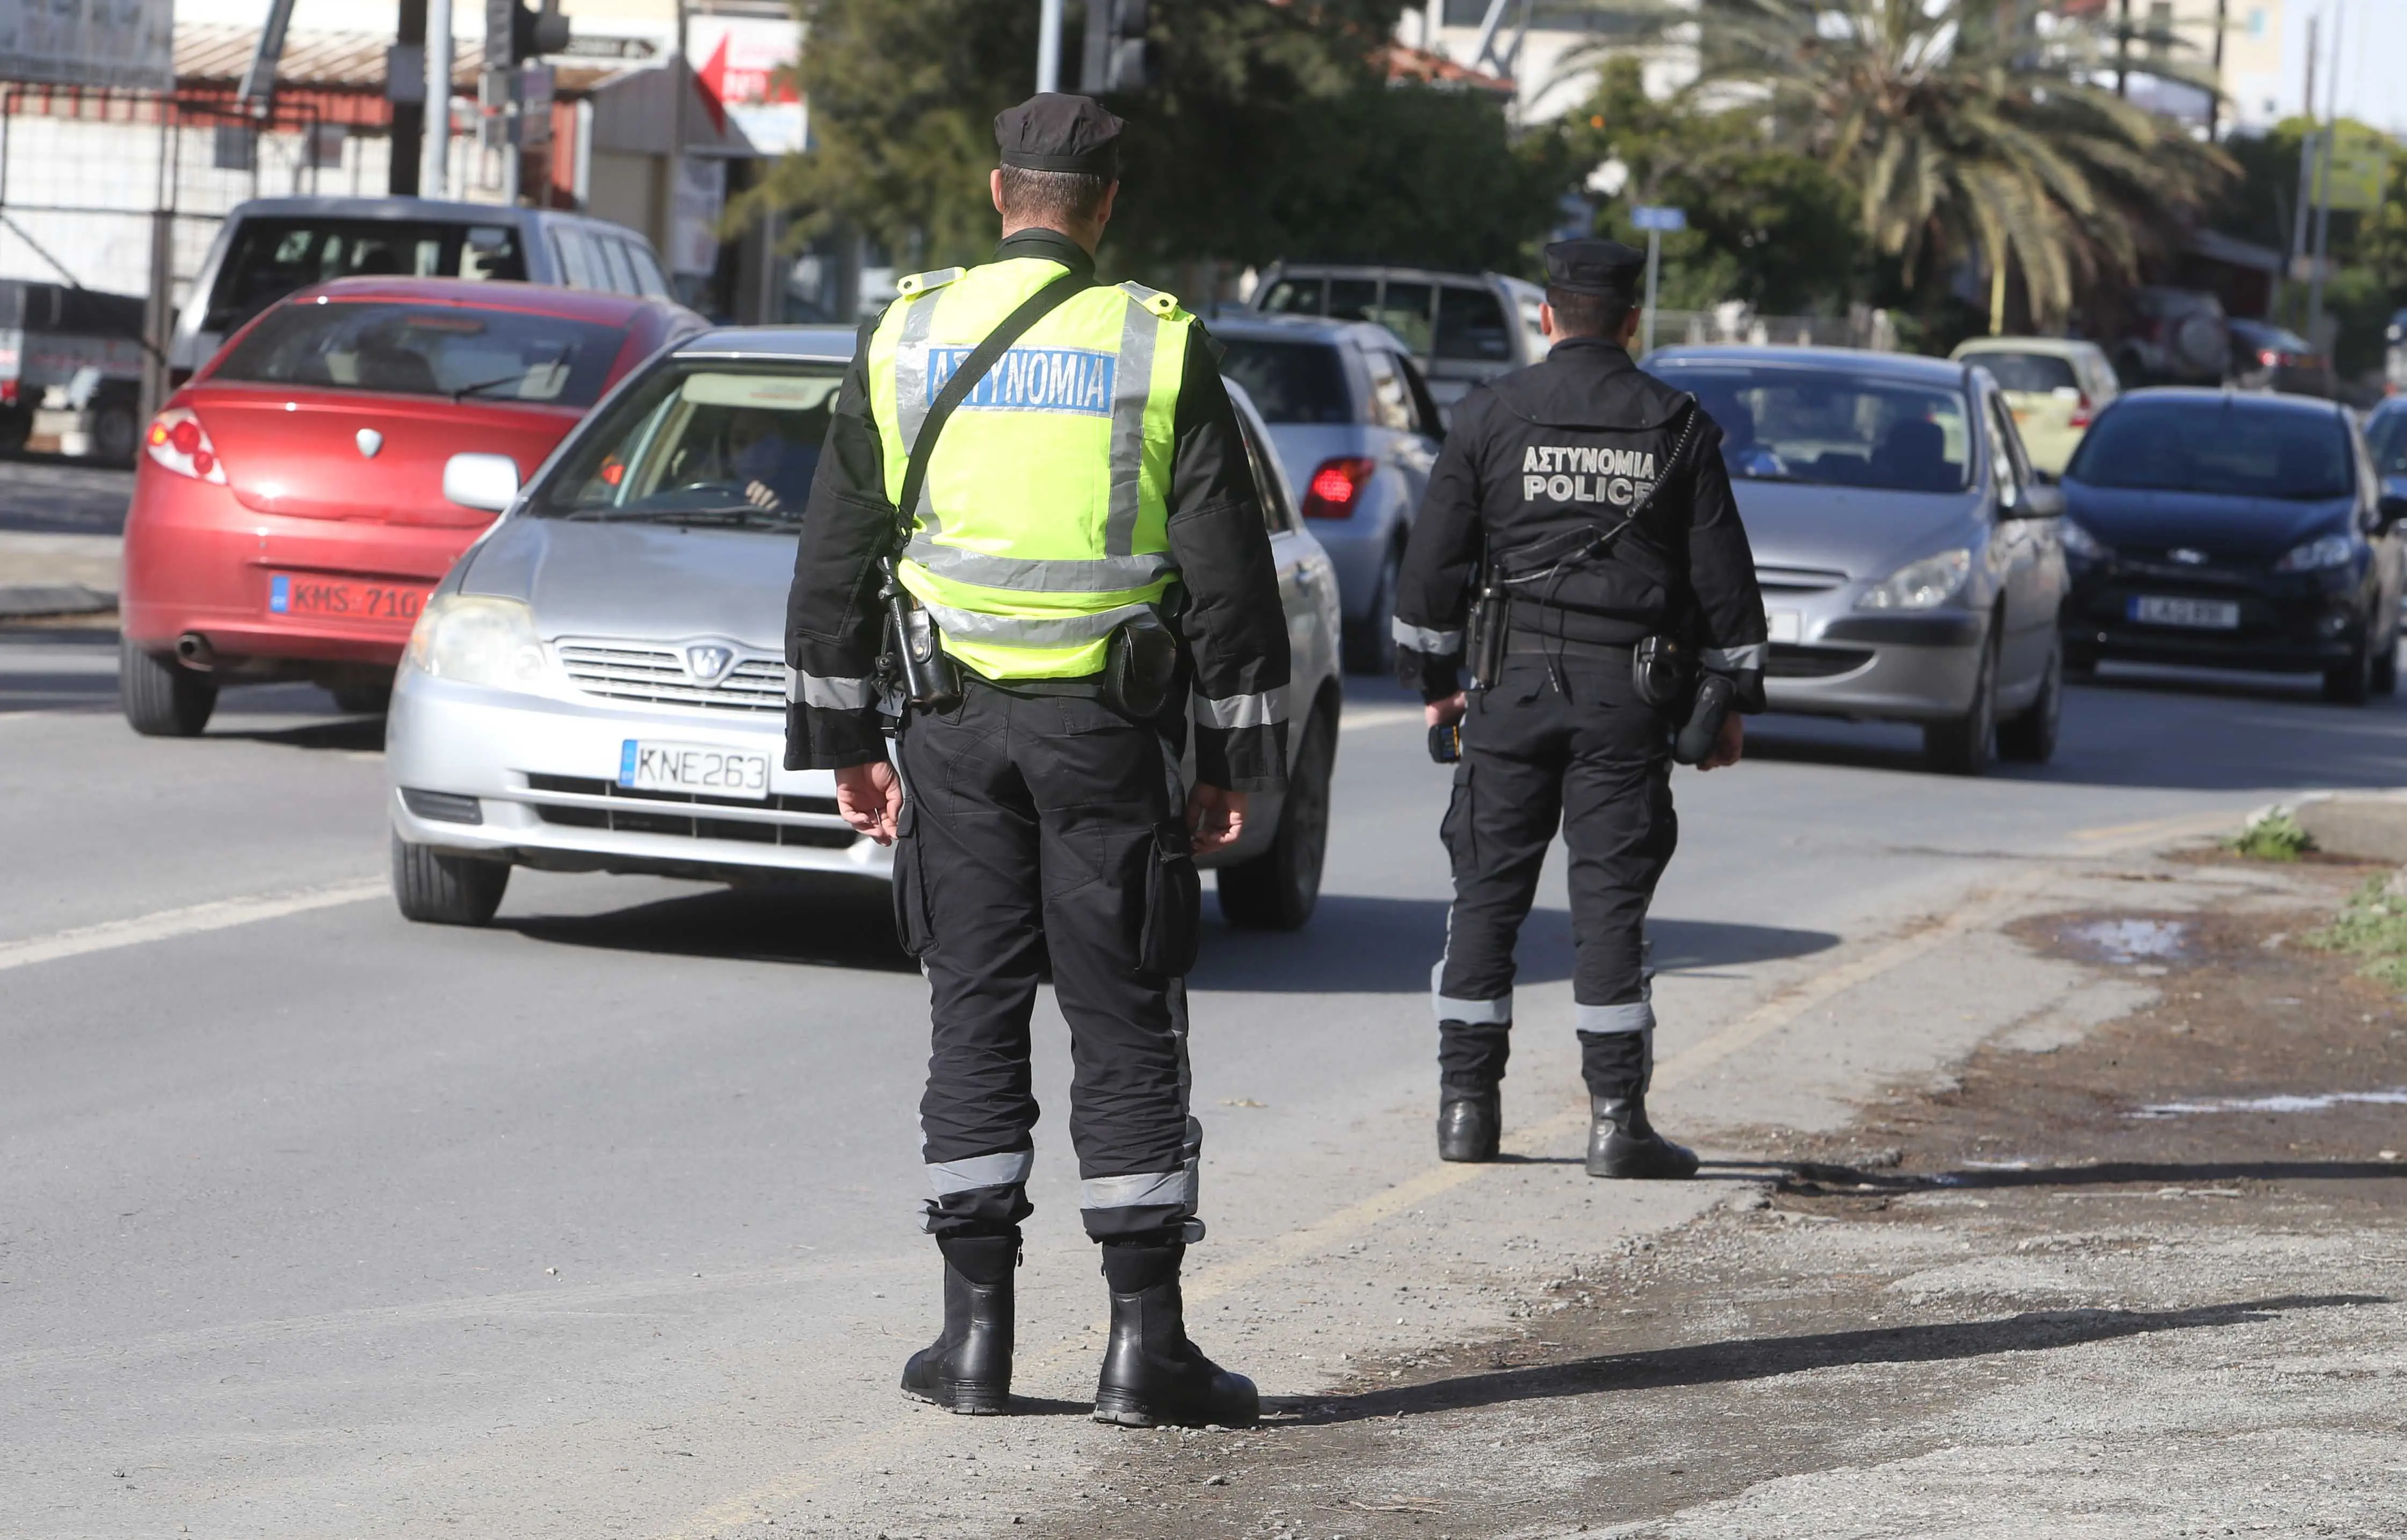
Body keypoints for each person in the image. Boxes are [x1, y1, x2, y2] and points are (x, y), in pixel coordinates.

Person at [781, 93, 1289, 1429]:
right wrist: (1235, 759)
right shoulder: (1155, 344)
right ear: (1105, 205)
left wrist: (841, 741)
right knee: (1123, 1014)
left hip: (947, 734)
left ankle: (974, 1345)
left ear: (999, 191)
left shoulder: (905, 332)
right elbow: (1231, 579)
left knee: (975, 1006)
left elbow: (836, 553)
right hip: (1106, 738)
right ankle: (1144, 1351)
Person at [1390, 238, 1769, 1179]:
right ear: (1631, 321)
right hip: (1626, 704)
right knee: (1609, 911)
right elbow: (1725, 587)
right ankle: (1614, 1122)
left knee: (1484, 901)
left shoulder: (1489, 415)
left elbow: (1427, 574)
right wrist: (1729, 703)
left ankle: (1466, 1114)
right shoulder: (1676, 424)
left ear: (1548, 316)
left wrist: (1437, 688)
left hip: (1508, 693)